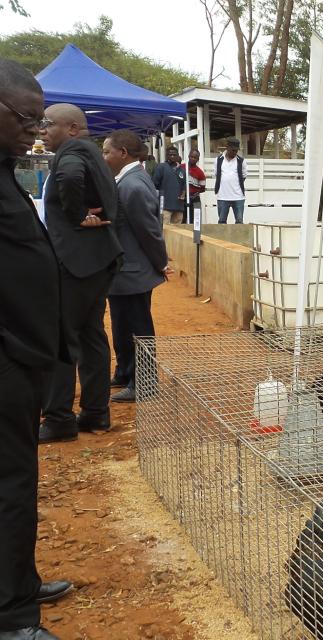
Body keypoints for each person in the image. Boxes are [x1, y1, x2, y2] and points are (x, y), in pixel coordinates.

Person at [0, 56, 72, 640]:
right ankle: (13, 617)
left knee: (16, 481)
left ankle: (17, 579)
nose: (34, 128)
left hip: (24, 360)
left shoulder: (6, 170)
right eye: (26, 117)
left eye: (40, 117)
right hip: (7, 360)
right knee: (10, 487)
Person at [38, 103, 123, 444]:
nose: (42, 130)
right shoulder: (89, 152)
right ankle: (95, 414)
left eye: (48, 124)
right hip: (97, 260)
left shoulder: (71, 152)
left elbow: (70, 177)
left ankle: (59, 418)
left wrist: (75, 215)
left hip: (76, 263)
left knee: (62, 339)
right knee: (91, 337)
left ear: (72, 128)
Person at [102, 130, 172, 403]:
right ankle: (125, 371)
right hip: (124, 272)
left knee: (137, 328)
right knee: (121, 325)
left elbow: (149, 231)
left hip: (134, 272)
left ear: (123, 153)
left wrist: (161, 262)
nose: (103, 156)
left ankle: (144, 383)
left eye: (107, 151)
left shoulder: (132, 185)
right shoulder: (127, 180)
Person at [214, 137, 247, 224]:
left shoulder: (241, 161)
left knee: (239, 222)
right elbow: (217, 175)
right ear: (227, 147)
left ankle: (239, 238)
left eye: (236, 150)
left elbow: (243, 176)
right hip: (222, 197)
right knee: (221, 222)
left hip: (238, 197)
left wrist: (234, 185)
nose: (235, 152)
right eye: (233, 150)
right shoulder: (218, 160)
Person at [152, 144, 186, 225]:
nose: (172, 157)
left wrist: (183, 193)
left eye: (174, 155)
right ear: (166, 156)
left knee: (177, 231)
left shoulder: (182, 170)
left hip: (179, 206)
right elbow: (154, 184)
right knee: (164, 230)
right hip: (165, 206)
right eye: (170, 155)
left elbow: (184, 186)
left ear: (178, 156)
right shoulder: (161, 167)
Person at [181, 148, 206, 225]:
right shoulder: (181, 167)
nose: (193, 159)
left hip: (195, 199)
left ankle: (195, 236)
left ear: (198, 159)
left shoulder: (200, 172)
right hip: (182, 198)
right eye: (191, 156)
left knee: (196, 221)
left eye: (195, 157)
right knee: (182, 220)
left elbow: (202, 188)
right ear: (188, 156)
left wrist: (193, 193)